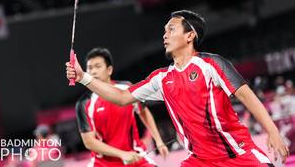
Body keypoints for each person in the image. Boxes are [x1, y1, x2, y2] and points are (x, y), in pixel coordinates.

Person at [66, 10, 289, 166]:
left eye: (171, 29)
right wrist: (83, 77)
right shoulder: (161, 78)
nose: (165, 34)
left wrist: (273, 132)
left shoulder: (211, 64)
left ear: (190, 35)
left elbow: (246, 95)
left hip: (237, 154)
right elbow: (122, 97)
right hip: (199, 162)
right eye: (165, 30)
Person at [75, 48, 169, 167]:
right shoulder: (84, 103)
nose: (93, 72)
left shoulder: (126, 88)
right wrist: (122, 154)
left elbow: (143, 111)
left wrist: (159, 141)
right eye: (90, 68)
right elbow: (89, 142)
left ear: (109, 70)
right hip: (103, 163)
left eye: (98, 66)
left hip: (136, 158)